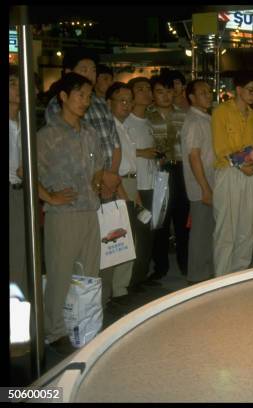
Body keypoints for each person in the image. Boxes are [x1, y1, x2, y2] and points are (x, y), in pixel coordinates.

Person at [37, 73, 105, 352]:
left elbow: (99, 164)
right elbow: (27, 173)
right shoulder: (46, 135)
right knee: (59, 274)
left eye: (88, 96)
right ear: (63, 97)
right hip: (62, 214)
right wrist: (50, 197)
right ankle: (54, 332)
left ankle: (85, 325)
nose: (85, 101)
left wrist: (98, 180)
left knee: (89, 274)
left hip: (90, 210)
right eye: (80, 95)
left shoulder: (89, 132)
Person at [45, 48, 121, 200]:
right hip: (79, 185)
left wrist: (111, 176)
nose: (90, 75)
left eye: (93, 70)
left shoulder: (100, 103)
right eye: (84, 70)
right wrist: (102, 176)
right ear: (68, 73)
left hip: (108, 184)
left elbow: (115, 145)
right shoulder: (59, 105)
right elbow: (68, 147)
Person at [211, 70, 253, 276]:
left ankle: (239, 276)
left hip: (248, 174)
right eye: (251, 90)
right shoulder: (221, 112)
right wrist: (242, 164)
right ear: (239, 90)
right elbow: (220, 147)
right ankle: (221, 279)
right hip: (228, 171)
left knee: (247, 227)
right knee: (226, 228)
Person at [146, 74, 189, 280]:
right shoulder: (146, 116)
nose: (165, 96)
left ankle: (185, 262)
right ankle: (160, 267)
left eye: (169, 91)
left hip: (180, 170)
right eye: (160, 92)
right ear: (153, 94)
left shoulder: (184, 115)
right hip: (158, 172)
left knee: (182, 220)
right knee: (160, 220)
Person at [105, 82, 138, 304]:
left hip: (130, 183)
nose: (127, 105)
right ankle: (116, 291)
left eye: (129, 101)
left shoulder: (124, 127)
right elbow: (111, 166)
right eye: (122, 101)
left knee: (128, 240)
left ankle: (121, 288)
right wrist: (122, 192)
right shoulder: (109, 128)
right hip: (118, 184)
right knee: (117, 239)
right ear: (109, 103)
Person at [125, 76, 158, 289]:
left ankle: (141, 276)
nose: (146, 92)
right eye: (140, 89)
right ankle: (131, 281)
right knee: (135, 235)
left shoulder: (148, 121)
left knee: (147, 233)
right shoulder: (125, 121)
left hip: (151, 183)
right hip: (135, 185)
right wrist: (142, 152)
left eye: (148, 88)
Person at [181, 80, 215, 283]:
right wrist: (205, 188)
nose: (208, 95)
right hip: (201, 186)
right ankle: (196, 278)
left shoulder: (206, 118)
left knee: (208, 231)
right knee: (201, 233)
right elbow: (194, 157)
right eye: (202, 92)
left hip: (211, 182)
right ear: (192, 98)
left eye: (209, 92)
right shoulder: (193, 121)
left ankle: (205, 274)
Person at [9, 65, 28, 299]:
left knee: (22, 259)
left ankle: (21, 328)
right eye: (13, 84)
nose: (19, 89)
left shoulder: (25, 120)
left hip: (23, 193)